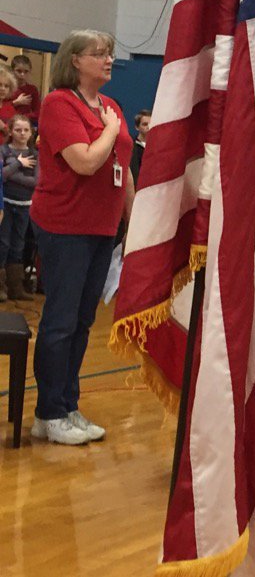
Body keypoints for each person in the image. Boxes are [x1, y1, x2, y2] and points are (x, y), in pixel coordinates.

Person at [29, 30, 134, 445]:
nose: (108, 60)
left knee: (83, 321)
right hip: (64, 225)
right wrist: (110, 130)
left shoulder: (111, 106)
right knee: (60, 320)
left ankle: (68, 406)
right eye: (99, 54)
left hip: (101, 228)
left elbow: (122, 169)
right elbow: (87, 161)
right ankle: (48, 412)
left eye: (110, 53)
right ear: (74, 60)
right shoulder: (58, 103)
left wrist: (135, 219)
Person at [1, 115, 38, 301]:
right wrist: (19, 164)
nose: (22, 133)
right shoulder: (4, 150)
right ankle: (1, 287)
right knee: (3, 243)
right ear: (10, 131)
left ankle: (16, 287)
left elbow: (36, 181)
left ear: (31, 132)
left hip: (25, 206)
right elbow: (1, 175)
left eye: (26, 130)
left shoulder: (35, 154)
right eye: (18, 130)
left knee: (18, 244)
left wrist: (11, 171)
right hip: (5, 204)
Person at [1, 55, 41, 124]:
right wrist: (15, 103)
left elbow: (37, 112)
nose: (22, 75)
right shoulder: (5, 87)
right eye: (19, 71)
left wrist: (21, 119)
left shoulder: (32, 90)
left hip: (23, 125)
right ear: (12, 71)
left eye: (26, 72)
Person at [129, 109, 151, 183]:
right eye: (145, 124)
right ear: (137, 127)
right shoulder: (132, 147)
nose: (149, 127)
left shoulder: (157, 147)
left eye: (151, 124)